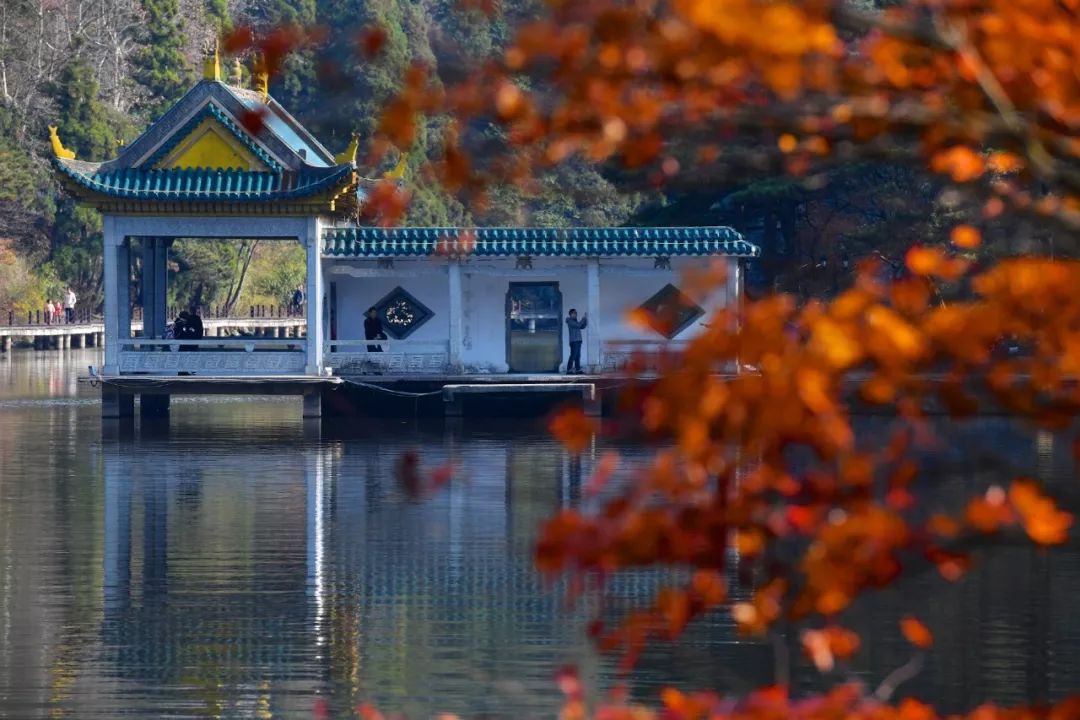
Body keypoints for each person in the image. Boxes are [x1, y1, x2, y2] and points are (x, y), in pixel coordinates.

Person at [565, 308, 588, 374]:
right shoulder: (570, 321)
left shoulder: (575, 321)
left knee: (578, 356)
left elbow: (582, 327)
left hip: (578, 340)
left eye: (576, 313)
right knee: (573, 355)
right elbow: (578, 325)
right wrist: (583, 319)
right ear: (571, 314)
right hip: (574, 341)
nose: (576, 314)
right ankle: (569, 370)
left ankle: (578, 369)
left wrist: (585, 320)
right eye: (574, 313)